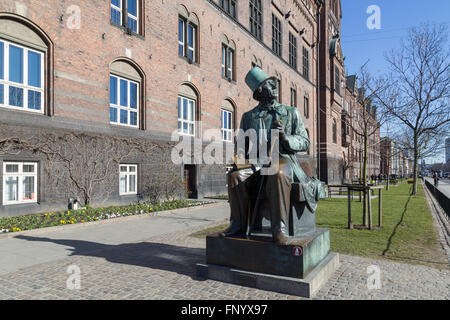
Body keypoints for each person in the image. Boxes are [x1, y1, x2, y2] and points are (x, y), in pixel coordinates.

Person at [221, 67, 324, 244]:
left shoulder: (291, 113)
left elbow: (304, 142)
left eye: (274, 83)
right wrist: (241, 163)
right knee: (236, 176)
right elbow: (241, 148)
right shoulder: (249, 117)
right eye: (269, 83)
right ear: (259, 91)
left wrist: (285, 137)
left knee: (278, 172)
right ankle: (237, 226)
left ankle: (279, 230)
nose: (275, 86)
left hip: (284, 160)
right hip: (256, 163)